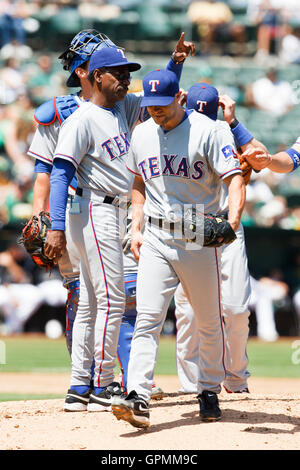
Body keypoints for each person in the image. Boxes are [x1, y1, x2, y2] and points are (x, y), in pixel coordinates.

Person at [44, 37, 195, 413]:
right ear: (97, 75)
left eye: (128, 73)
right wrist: (55, 226)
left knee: (93, 303)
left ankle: (80, 387)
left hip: (111, 210)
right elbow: (60, 173)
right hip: (95, 207)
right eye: (119, 73)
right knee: (111, 300)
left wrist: (175, 63)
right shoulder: (80, 119)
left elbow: (157, 96)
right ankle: (103, 384)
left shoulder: (122, 108)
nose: (127, 80)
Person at [111, 68, 245, 429]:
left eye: (163, 104)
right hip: (155, 235)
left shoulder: (209, 130)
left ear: (178, 97)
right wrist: (135, 227)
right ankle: (137, 394)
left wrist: (231, 224)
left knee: (207, 319)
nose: (156, 110)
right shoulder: (142, 133)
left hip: (199, 233)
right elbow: (138, 181)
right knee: (148, 317)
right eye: (150, 103)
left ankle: (208, 388)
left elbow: (234, 180)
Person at [174, 83, 267, 394]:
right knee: (188, 310)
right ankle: (191, 385)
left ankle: (236, 378)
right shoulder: (177, 129)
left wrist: (234, 122)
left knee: (237, 309)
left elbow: (260, 154)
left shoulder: (227, 132)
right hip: (191, 224)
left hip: (229, 224)